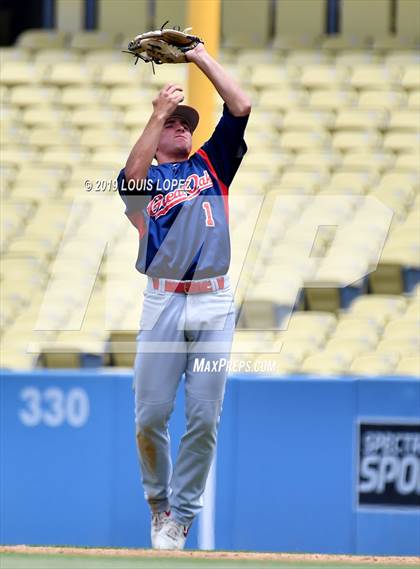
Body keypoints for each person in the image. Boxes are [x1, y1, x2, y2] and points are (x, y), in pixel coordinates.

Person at [116, 42, 251, 550]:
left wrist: (199, 58)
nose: (182, 126)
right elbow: (128, 179)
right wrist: (158, 112)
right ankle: (158, 505)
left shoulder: (212, 164)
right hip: (163, 302)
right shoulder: (148, 179)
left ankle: (183, 515)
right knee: (150, 415)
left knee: (203, 415)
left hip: (214, 303)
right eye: (175, 122)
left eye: (186, 123)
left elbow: (240, 107)